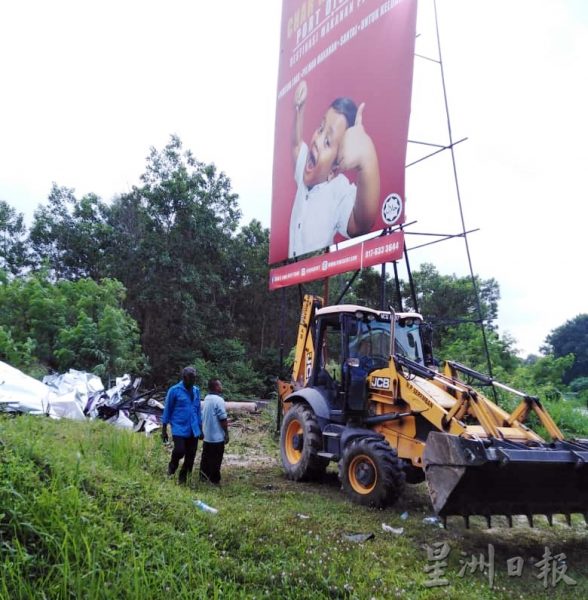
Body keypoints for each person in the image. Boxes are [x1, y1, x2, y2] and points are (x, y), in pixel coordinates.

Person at [288, 79, 380, 259]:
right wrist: (299, 107)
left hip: (317, 275)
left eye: (328, 141)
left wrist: (367, 161)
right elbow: (296, 144)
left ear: (336, 166)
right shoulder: (304, 171)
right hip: (289, 274)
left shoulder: (340, 190)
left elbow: (361, 223)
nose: (317, 140)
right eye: (320, 128)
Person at [161, 366, 202, 485]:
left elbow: (198, 410)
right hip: (179, 427)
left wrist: (201, 427)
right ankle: (172, 466)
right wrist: (164, 429)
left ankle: (183, 479)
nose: (194, 380)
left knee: (191, 455)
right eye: (192, 378)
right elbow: (167, 409)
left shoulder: (196, 390)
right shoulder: (174, 390)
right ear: (185, 378)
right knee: (179, 451)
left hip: (193, 427)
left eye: (195, 378)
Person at [199, 378, 228, 485]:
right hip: (217, 437)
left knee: (205, 458)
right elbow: (223, 419)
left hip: (207, 436)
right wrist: (226, 433)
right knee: (216, 459)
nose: (221, 387)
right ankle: (214, 480)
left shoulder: (206, 399)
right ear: (216, 387)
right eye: (220, 385)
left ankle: (203, 477)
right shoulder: (219, 400)